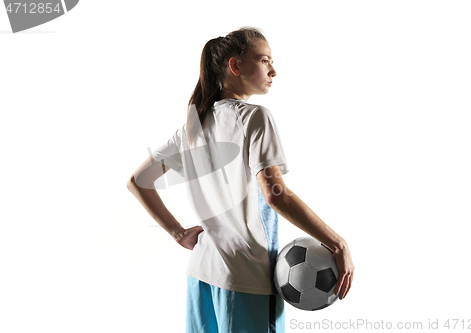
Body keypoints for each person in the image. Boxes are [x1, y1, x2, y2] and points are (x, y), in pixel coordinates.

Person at [126, 26, 354, 333]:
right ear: (235, 65)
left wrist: (178, 233)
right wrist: (337, 244)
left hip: (201, 274)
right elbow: (276, 195)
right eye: (264, 60)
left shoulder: (193, 126)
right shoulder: (254, 118)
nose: (273, 70)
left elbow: (138, 181)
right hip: (246, 277)